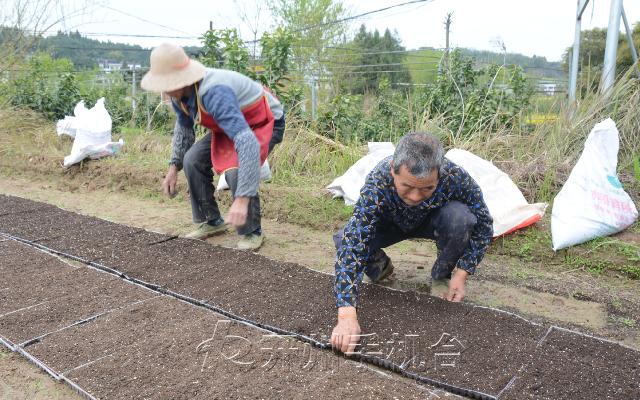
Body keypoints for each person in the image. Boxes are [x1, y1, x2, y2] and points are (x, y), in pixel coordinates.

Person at [330, 132, 493, 354]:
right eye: (407, 186)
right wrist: (346, 315)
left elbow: (484, 223)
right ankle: (379, 266)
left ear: (439, 174)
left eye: (427, 188)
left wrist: (462, 271)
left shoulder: (455, 176)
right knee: (345, 238)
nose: (416, 196)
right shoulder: (377, 182)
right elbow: (354, 241)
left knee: (461, 219)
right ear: (393, 171)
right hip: (390, 224)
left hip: (431, 221)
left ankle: (442, 276)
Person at [141, 43, 285, 250]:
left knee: (236, 170)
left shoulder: (213, 92)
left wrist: (242, 200)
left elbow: (248, 144)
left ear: (181, 78)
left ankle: (252, 231)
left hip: (264, 121)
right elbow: (184, 131)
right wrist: (173, 168)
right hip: (232, 125)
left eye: (166, 82)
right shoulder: (178, 95)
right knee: (192, 160)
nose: (164, 89)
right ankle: (211, 221)